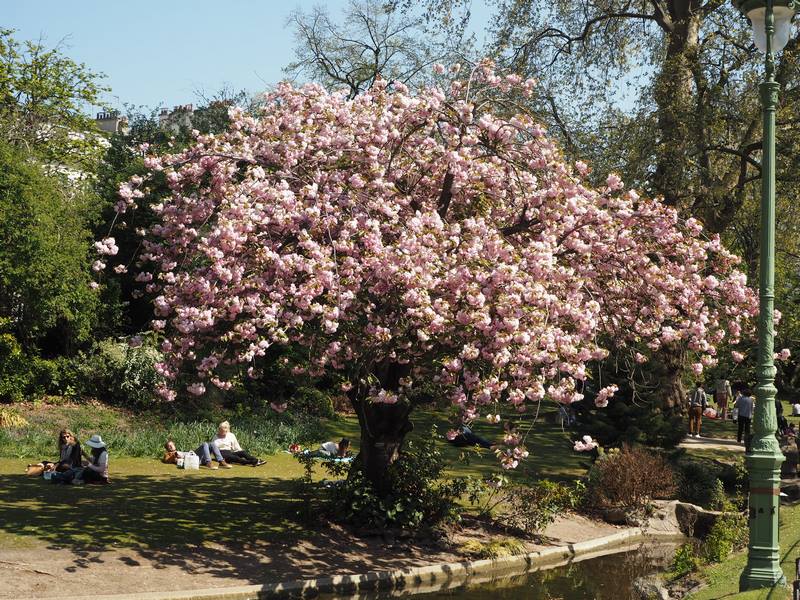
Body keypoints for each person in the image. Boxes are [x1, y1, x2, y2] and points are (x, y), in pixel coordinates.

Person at [163, 439, 231, 469]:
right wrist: (175, 456)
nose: (171, 446)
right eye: (169, 446)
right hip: (192, 460)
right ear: (167, 448)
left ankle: (221, 461)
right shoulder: (169, 454)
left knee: (212, 443)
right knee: (204, 444)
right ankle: (208, 463)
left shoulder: (179, 451)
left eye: (172, 444)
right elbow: (166, 460)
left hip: (196, 457)